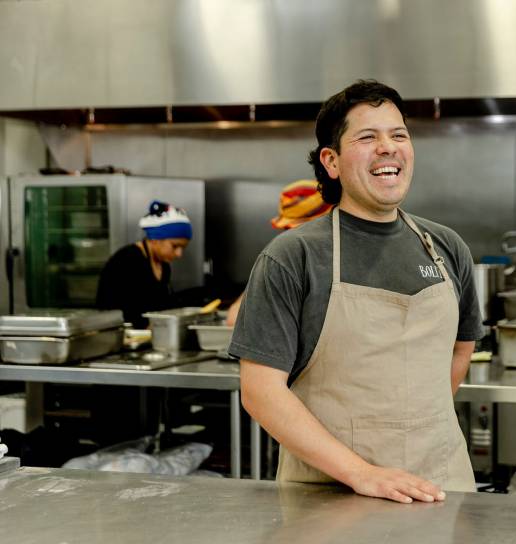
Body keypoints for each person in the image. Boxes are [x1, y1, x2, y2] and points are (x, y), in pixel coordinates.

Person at [230, 79, 483, 504]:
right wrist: (362, 472)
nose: (388, 147)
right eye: (368, 137)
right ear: (331, 161)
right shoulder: (293, 256)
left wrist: (409, 425)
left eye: (399, 135)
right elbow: (260, 391)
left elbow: (462, 349)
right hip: (331, 494)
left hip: (439, 486)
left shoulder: (446, 246)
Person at [224, 180, 333, 327]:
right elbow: (235, 317)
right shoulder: (282, 261)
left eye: (300, 230)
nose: (293, 238)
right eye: (288, 230)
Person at [96, 200, 192, 328]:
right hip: (120, 333)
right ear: (155, 239)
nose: (179, 254)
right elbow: (122, 309)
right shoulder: (127, 260)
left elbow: (161, 306)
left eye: (183, 248)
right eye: (175, 246)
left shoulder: (164, 265)